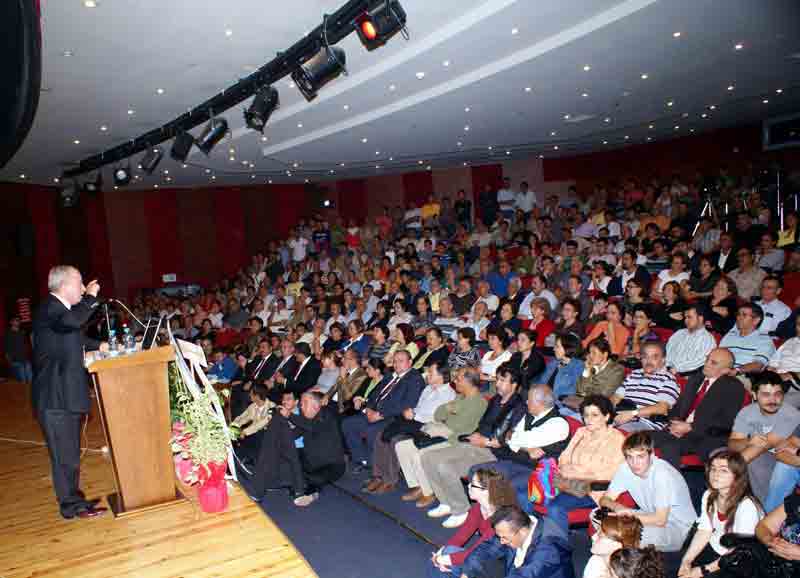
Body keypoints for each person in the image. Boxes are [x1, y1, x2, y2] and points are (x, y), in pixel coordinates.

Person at [31, 265, 108, 519]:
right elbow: (75, 321)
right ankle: (70, 506)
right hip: (55, 397)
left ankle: (74, 499)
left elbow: (76, 338)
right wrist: (92, 297)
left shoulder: (59, 313)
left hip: (64, 395)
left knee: (70, 454)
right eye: (80, 282)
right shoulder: (51, 308)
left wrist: (102, 345)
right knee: (65, 458)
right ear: (64, 285)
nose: (84, 287)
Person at [419, 365, 524, 528]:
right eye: (498, 379)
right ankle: (446, 502)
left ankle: (461, 510)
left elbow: (511, 438)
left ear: (514, 385)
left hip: (494, 453)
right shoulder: (496, 400)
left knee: (446, 467)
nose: (498, 384)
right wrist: (475, 435)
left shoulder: (519, 407)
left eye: (503, 380)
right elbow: (483, 424)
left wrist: (486, 441)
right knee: (427, 457)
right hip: (475, 443)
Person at [468, 384, 571, 517]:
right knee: (475, 472)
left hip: (535, 471)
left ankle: (507, 523)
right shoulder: (529, 415)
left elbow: (519, 440)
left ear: (539, 403)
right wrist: (526, 447)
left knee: (505, 488)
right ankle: (485, 515)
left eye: (529, 400)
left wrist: (517, 441)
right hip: (513, 462)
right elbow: (512, 439)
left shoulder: (558, 424)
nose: (526, 402)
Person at [393, 363, 487, 507]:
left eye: (458, 379)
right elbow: (438, 414)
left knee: (420, 455)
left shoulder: (479, 402)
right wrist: (450, 410)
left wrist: (449, 411)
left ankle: (428, 492)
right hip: (443, 431)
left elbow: (459, 426)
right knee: (402, 446)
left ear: (468, 382)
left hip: (454, 439)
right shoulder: (460, 397)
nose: (454, 381)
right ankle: (418, 485)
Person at [599, 432, 696, 552]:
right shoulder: (625, 469)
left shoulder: (662, 474)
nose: (635, 463)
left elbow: (660, 520)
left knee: (622, 534)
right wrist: (617, 506)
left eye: (640, 456)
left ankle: (613, 567)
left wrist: (626, 517)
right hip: (648, 515)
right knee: (596, 517)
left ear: (652, 454)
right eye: (630, 457)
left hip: (678, 528)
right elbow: (604, 499)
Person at [649, 348, 745, 468]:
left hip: (705, 437)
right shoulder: (695, 379)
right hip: (678, 430)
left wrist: (690, 428)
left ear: (725, 370)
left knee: (669, 447)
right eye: (707, 359)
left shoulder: (733, 387)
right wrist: (674, 423)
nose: (706, 364)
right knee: (642, 438)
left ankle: (670, 484)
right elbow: (678, 408)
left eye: (713, 363)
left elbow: (725, 422)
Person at [247, 391, 345, 507]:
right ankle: (296, 487)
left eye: (304, 403)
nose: (301, 406)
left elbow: (311, 426)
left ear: (315, 405)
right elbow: (293, 434)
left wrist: (289, 415)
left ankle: (311, 493)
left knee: (311, 479)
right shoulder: (307, 419)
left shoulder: (326, 416)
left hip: (331, 466)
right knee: (285, 463)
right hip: (309, 461)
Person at [678, 450, 764, 578]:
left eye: (723, 470)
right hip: (714, 547)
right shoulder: (709, 495)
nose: (715, 474)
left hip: (738, 560)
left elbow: (738, 552)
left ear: (737, 475)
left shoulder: (747, 506)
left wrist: (702, 571)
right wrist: (687, 561)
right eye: (713, 469)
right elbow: (704, 531)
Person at [547, 395, 626, 531]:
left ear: (606, 417)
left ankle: (557, 548)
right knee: (527, 492)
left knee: (555, 506)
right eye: (586, 415)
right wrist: (565, 468)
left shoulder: (617, 439)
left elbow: (612, 473)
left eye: (594, 415)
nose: (588, 420)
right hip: (568, 482)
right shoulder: (581, 432)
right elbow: (564, 456)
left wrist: (579, 473)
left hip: (593, 491)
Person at [341, 350, 425, 473]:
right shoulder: (390, 376)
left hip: (392, 417)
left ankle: (375, 466)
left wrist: (381, 415)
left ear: (410, 362)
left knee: (371, 431)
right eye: (395, 361)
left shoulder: (415, 379)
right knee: (348, 423)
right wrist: (368, 408)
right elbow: (374, 393)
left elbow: (408, 404)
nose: (396, 364)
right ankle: (362, 459)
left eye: (401, 361)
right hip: (374, 412)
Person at [428, 468, 518, 578]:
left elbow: (477, 552)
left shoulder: (500, 520)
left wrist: (440, 559)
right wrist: (440, 553)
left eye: (473, 485)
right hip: (480, 557)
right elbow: (462, 535)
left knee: (447, 558)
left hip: (497, 564)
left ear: (486, 491)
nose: (469, 486)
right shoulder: (479, 508)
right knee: (446, 553)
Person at [729, 372, 800, 504]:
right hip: (761, 452)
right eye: (766, 395)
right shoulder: (747, 412)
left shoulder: (791, 415)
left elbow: (763, 445)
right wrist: (749, 441)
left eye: (777, 394)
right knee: (717, 453)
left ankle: (764, 513)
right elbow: (733, 443)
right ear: (754, 395)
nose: (773, 400)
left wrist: (728, 470)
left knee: (756, 462)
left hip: (779, 458)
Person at [462, 505, 574, 578]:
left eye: (504, 538)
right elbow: (488, 547)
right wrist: (467, 572)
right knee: (452, 553)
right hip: (512, 571)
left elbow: (527, 574)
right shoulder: (515, 527)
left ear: (523, 531)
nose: (501, 541)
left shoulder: (549, 550)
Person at [613, 341, 681, 432]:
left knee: (614, 434)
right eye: (645, 357)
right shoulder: (634, 374)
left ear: (663, 359)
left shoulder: (668, 379)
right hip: (621, 416)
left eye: (654, 357)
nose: (649, 361)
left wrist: (633, 414)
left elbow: (662, 408)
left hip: (646, 424)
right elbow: (616, 397)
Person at [562, 339, 625, 415]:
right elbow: (579, 390)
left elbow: (603, 395)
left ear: (605, 354)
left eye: (594, 353)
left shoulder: (617, 370)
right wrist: (587, 370)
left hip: (599, 409)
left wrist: (586, 391)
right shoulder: (590, 366)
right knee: (562, 412)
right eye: (589, 352)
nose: (590, 356)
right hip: (581, 405)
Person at [720, 303, 776, 378]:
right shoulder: (730, 335)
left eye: (744, 315)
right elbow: (718, 354)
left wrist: (736, 370)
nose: (739, 317)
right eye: (738, 314)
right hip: (721, 372)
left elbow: (758, 365)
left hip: (742, 376)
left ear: (756, 320)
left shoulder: (764, 340)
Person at [584, 512, 644, 578]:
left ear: (618, 545)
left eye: (600, 536)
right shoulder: (595, 561)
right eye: (597, 532)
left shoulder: (626, 574)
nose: (593, 537)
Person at [666, 304, 717, 377]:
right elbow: (668, 350)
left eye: (689, 317)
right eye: (685, 317)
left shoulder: (707, 339)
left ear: (700, 318)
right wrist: (666, 366)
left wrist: (675, 369)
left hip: (686, 375)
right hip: (667, 370)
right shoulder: (679, 333)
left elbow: (699, 362)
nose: (686, 320)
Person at [231, 384, 275, 464]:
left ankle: (252, 458)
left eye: (251, 394)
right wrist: (233, 426)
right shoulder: (253, 406)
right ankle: (241, 458)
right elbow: (243, 417)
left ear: (257, 396)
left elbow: (262, 424)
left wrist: (245, 432)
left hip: (266, 434)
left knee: (258, 434)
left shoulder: (271, 407)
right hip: (253, 431)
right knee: (237, 435)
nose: (249, 395)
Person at [539, 332, 585, 402]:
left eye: (557, 346)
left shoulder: (578, 366)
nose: (554, 349)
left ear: (568, 348)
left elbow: (573, 391)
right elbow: (541, 382)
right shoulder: (553, 363)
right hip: (543, 400)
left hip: (559, 405)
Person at [5, 317, 32, 383]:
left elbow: (26, 343)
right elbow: (7, 347)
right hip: (16, 360)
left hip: (25, 358)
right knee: (22, 380)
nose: (18, 321)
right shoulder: (8, 334)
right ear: (11, 322)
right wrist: (9, 359)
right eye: (16, 320)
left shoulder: (22, 332)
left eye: (19, 320)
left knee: (30, 378)